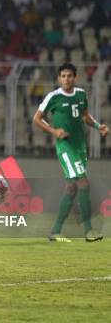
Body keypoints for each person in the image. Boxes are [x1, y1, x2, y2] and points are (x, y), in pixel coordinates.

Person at [32, 63, 108, 242]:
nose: (66, 79)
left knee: (72, 187)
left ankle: (55, 231)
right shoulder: (54, 96)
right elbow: (37, 118)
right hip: (65, 147)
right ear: (59, 78)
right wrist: (54, 131)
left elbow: (84, 115)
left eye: (69, 76)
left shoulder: (81, 95)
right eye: (63, 76)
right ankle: (89, 231)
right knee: (83, 183)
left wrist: (98, 126)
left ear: (75, 77)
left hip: (80, 146)